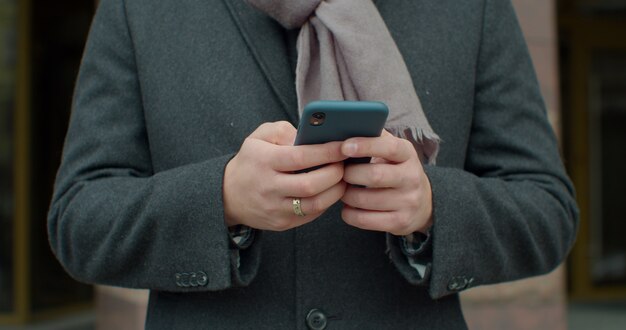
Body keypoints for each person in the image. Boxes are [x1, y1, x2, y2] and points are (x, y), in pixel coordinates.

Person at [48, 0, 579, 328]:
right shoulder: (139, 8)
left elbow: (547, 211)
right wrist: (222, 199)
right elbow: (79, 220)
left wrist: (433, 207)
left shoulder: (470, 8)